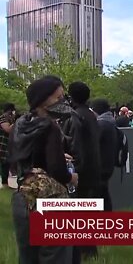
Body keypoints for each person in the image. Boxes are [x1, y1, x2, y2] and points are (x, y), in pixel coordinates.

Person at [9, 76, 78, 264]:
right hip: (51, 202)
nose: (62, 102)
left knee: (28, 258)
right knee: (56, 256)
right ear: (42, 100)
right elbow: (57, 170)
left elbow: (20, 158)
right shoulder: (50, 126)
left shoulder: (19, 125)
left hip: (22, 199)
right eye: (58, 98)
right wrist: (71, 177)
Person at [62, 81, 102, 262]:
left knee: (79, 212)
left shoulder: (76, 116)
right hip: (93, 169)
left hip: (81, 171)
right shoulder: (91, 115)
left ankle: (82, 249)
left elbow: (76, 146)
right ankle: (89, 249)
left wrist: (74, 169)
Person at [90, 99, 117, 212]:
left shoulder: (101, 125)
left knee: (99, 195)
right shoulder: (110, 123)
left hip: (100, 165)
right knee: (104, 194)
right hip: (108, 164)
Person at [0, 103, 15, 188]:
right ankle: (4, 183)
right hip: (2, 144)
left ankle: (5, 183)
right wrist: (16, 122)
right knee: (4, 163)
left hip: (7, 144)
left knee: (6, 163)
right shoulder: (4, 117)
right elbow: (8, 129)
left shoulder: (9, 118)